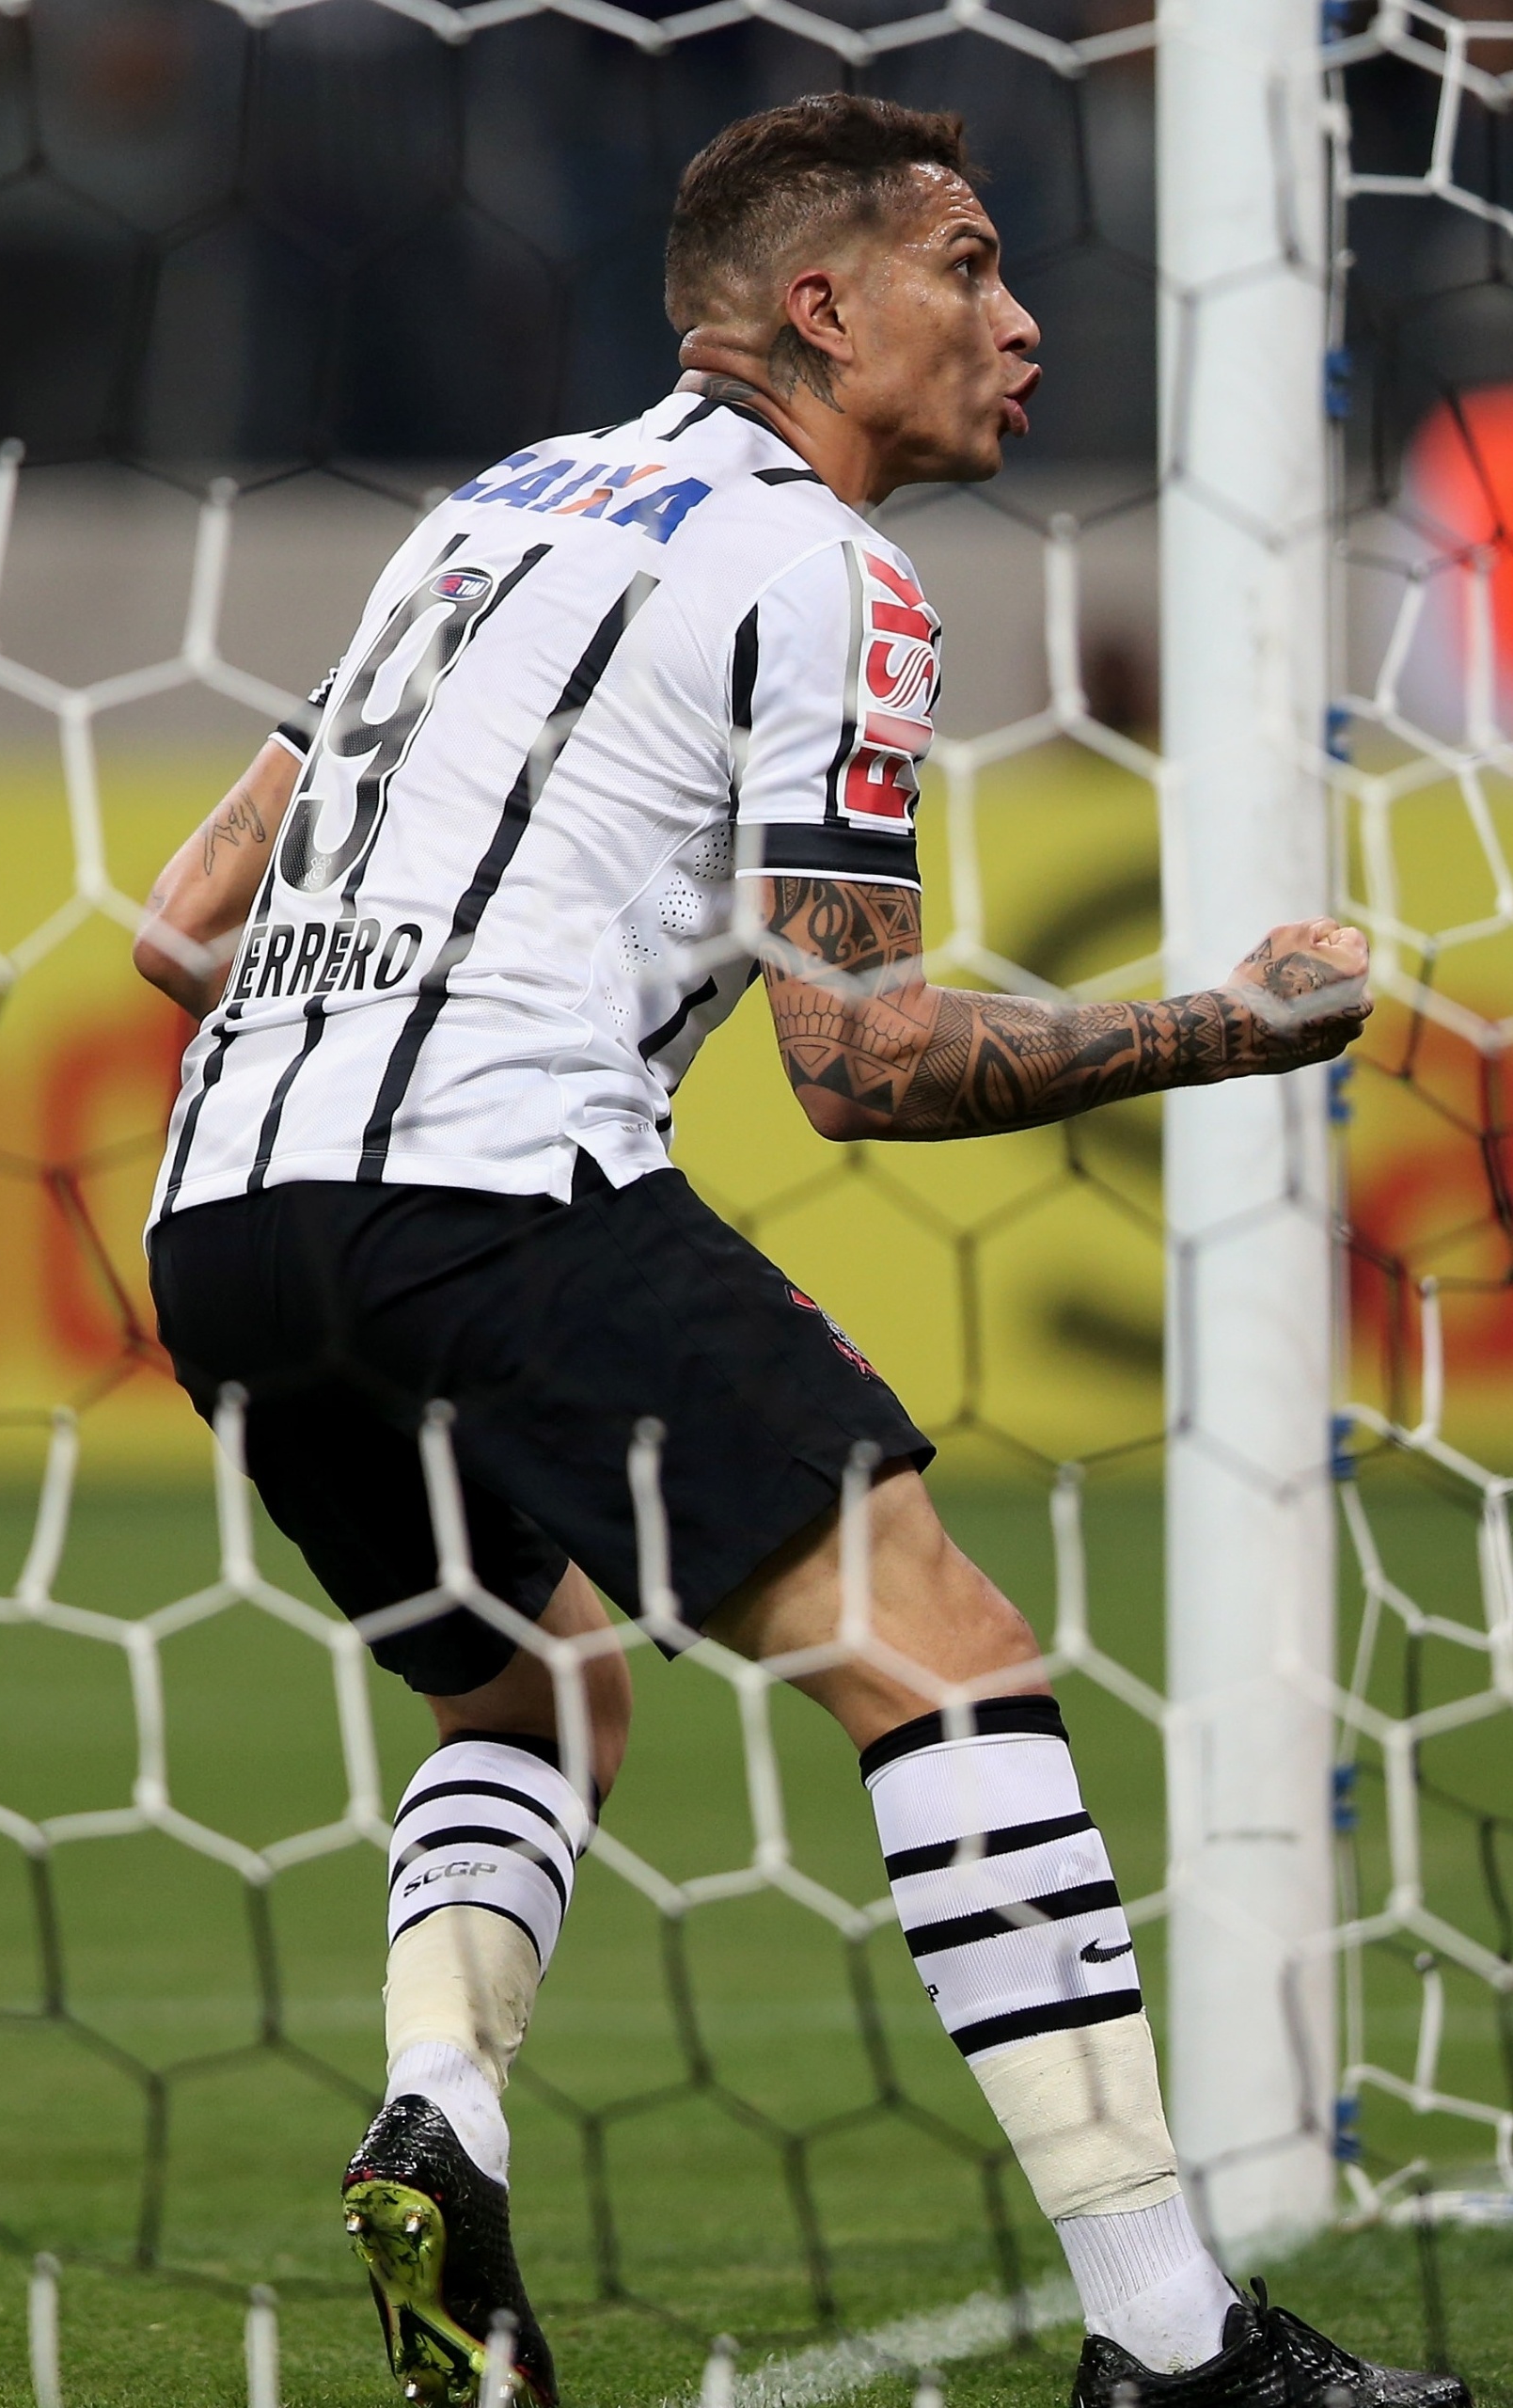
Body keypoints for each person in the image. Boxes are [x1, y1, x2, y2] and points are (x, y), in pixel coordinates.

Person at [134, 93, 1458, 2408]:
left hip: (228, 1215)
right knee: (943, 1654)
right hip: (493, 1186)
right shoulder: (832, 579)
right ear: (823, 309)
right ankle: (1171, 2337)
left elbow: (182, 927)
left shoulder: (488, 511)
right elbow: (862, 1066)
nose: (1023, 318)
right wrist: (1226, 1023)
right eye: (967, 264)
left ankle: (438, 2112)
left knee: (539, 1685)